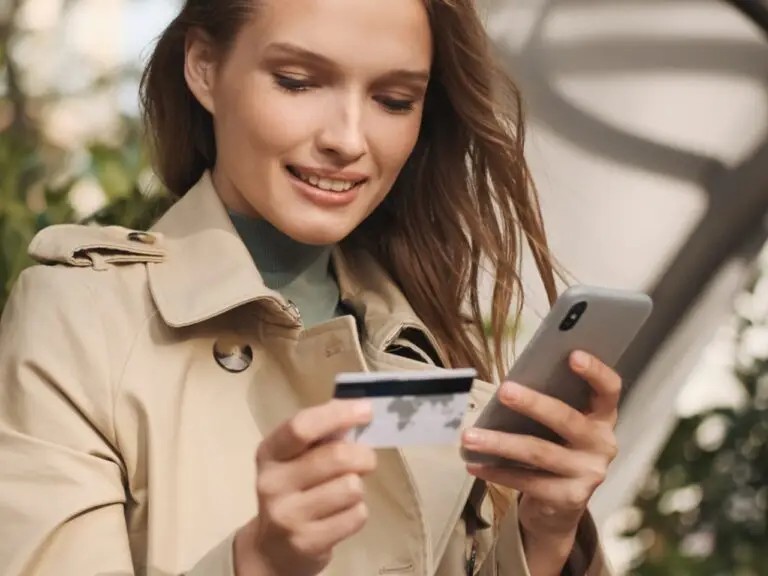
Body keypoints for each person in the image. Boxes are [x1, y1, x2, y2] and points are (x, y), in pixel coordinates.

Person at [0, 0, 622, 575]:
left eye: (395, 100)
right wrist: (256, 562)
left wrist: (543, 536)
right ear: (205, 67)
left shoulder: (420, 341)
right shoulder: (82, 319)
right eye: (298, 82)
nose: (348, 140)